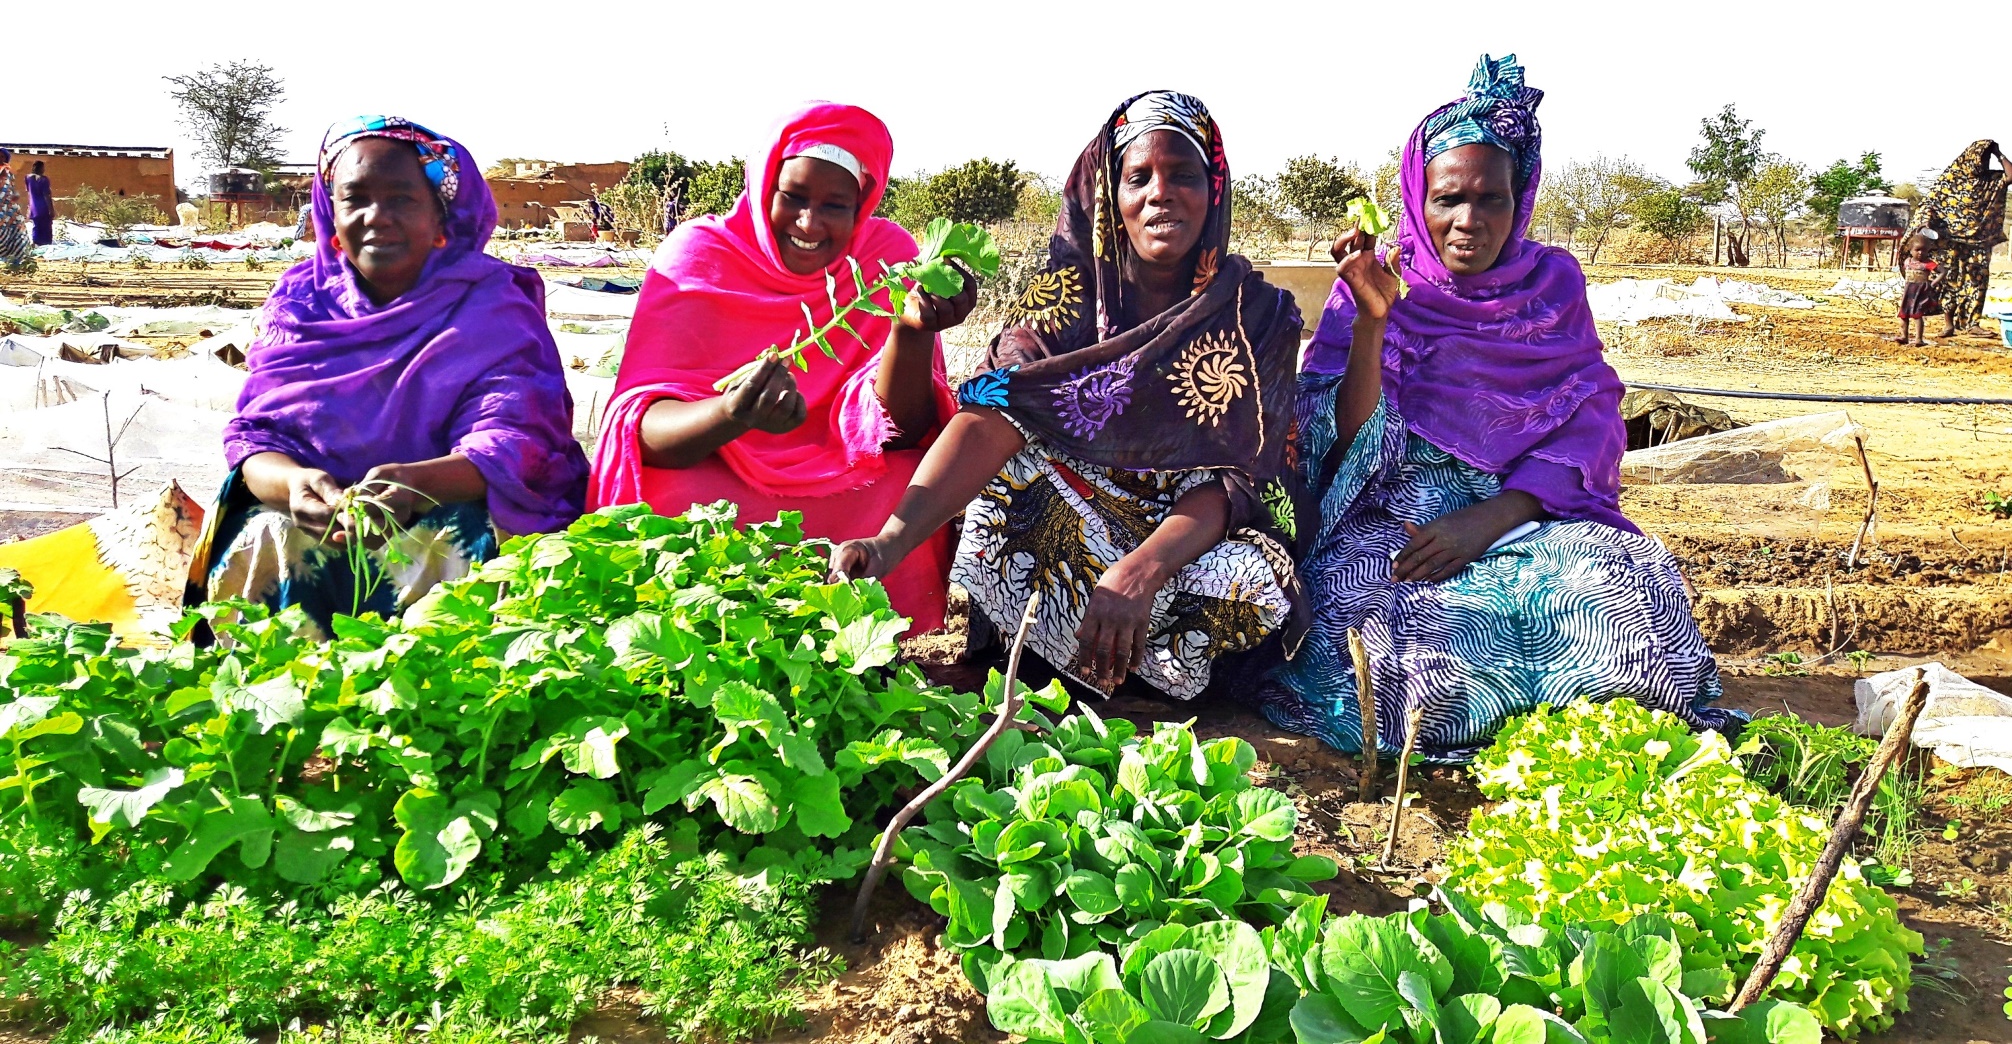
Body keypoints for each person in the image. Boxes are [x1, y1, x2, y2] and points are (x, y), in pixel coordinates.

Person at [1259, 55, 1735, 762]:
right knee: (1385, 647)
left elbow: (1590, 416)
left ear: (1523, 198)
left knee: (1632, 601)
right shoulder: (1374, 282)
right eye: (1448, 198)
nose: (1468, 222)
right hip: (1390, 518)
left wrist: (1491, 517)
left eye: (1492, 199)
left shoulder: (1551, 283)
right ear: (1417, 195)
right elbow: (1338, 444)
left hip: (1527, 512)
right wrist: (1372, 323)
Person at [830, 92, 1304, 700]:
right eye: (1139, 177)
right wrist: (887, 543)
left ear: (1213, 189)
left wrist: (1141, 572)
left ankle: (1133, 672)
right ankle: (1062, 664)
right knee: (1007, 477)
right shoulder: (1063, 301)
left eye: (1183, 174)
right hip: (1079, 523)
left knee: (1256, 581)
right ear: (1111, 197)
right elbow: (997, 412)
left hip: (1184, 544)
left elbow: (1239, 482)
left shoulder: (1256, 315)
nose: (1161, 192)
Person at [189, 115, 588, 635]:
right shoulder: (299, 304)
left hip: (449, 509)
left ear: (442, 217)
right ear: (331, 214)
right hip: (325, 518)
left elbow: (515, 440)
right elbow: (255, 438)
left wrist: (417, 483)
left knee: (455, 543)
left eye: (402, 199)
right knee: (267, 533)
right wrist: (293, 485)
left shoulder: (492, 308)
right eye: (355, 199)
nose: (377, 218)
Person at [590, 103, 974, 634]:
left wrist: (911, 333)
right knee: (668, 498)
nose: (809, 223)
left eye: (835, 206)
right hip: (714, 470)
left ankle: (860, 642)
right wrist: (731, 414)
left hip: (841, 481)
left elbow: (902, 434)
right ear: (764, 184)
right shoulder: (700, 255)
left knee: (901, 491)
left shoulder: (888, 258)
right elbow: (643, 432)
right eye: (792, 197)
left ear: (862, 206)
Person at [1908, 139, 2010, 336]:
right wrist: (1925, 222)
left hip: (1979, 240)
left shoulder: (1990, 181)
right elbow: (1930, 204)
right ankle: (1949, 324)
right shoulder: (1953, 179)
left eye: (1987, 157)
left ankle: (1973, 324)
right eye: (1981, 156)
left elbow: (2011, 176)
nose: (1983, 161)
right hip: (1950, 239)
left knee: (1978, 282)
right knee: (1950, 281)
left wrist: (1999, 154)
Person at [1892, 229, 1942, 345]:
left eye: (1924, 250)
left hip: (1921, 292)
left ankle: (1919, 339)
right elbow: (1906, 272)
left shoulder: (1928, 263)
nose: (1920, 253)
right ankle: (1904, 336)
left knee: (1917, 314)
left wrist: (1933, 283)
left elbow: (1942, 271)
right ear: (1910, 251)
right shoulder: (1907, 262)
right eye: (1917, 250)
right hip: (1909, 291)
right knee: (1904, 314)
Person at [0, 149, 29, 262]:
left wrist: (15, 195)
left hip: (9, 208)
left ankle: (16, 257)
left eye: (2, 156)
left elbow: (10, 188)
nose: (0, 158)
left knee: (16, 228)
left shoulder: (8, 173)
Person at [25, 161, 54, 247]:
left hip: (34, 207)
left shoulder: (28, 178)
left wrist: (29, 207)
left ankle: (35, 243)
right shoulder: (44, 179)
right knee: (46, 227)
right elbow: (46, 195)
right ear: (41, 168)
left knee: (36, 226)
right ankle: (45, 245)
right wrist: (51, 209)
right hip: (44, 207)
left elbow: (29, 192)